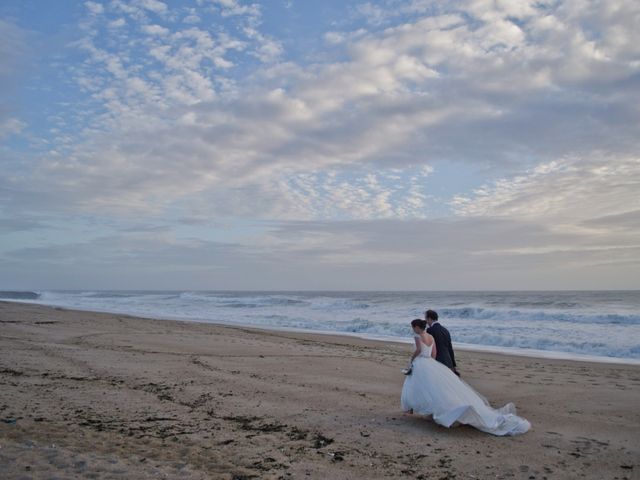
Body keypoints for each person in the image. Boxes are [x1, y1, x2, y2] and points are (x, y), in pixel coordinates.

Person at [401, 319, 530, 436]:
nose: (413, 329)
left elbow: (418, 350)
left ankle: (420, 410)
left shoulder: (417, 336)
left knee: (421, 388)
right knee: (437, 390)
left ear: (417, 327)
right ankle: (430, 412)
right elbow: (434, 353)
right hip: (431, 363)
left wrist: (412, 359)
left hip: (421, 363)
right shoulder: (431, 337)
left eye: (413, 327)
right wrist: (432, 364)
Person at [425, 309, 459, 375]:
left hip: (437, 360)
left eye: (426, 318)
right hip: (448, 361)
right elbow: (450, 348)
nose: (426, 321)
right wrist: (453, 365)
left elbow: (429, 347)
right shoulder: (445, 330)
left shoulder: (430, 330)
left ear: (429, 318)